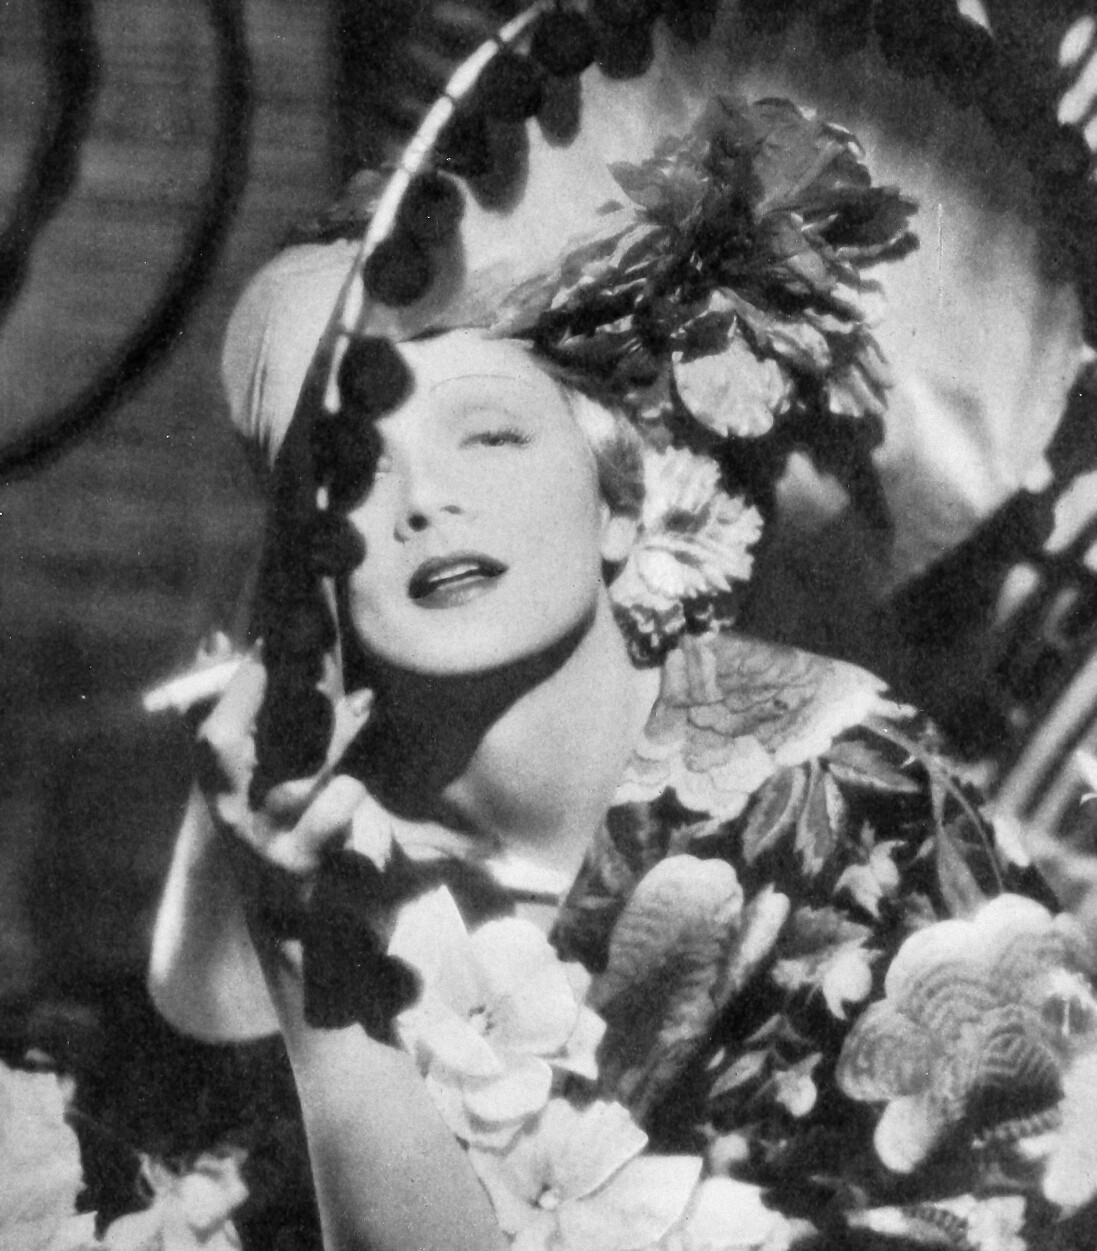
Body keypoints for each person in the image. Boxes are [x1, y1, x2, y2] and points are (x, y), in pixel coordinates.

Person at [148, 5, 1097, 1250]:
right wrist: (293, 910)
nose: (423, 500)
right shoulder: (335, 805)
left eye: (489, 435)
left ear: (618, 499)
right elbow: (203, 1020)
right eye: (344, 470)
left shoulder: (850, 786)